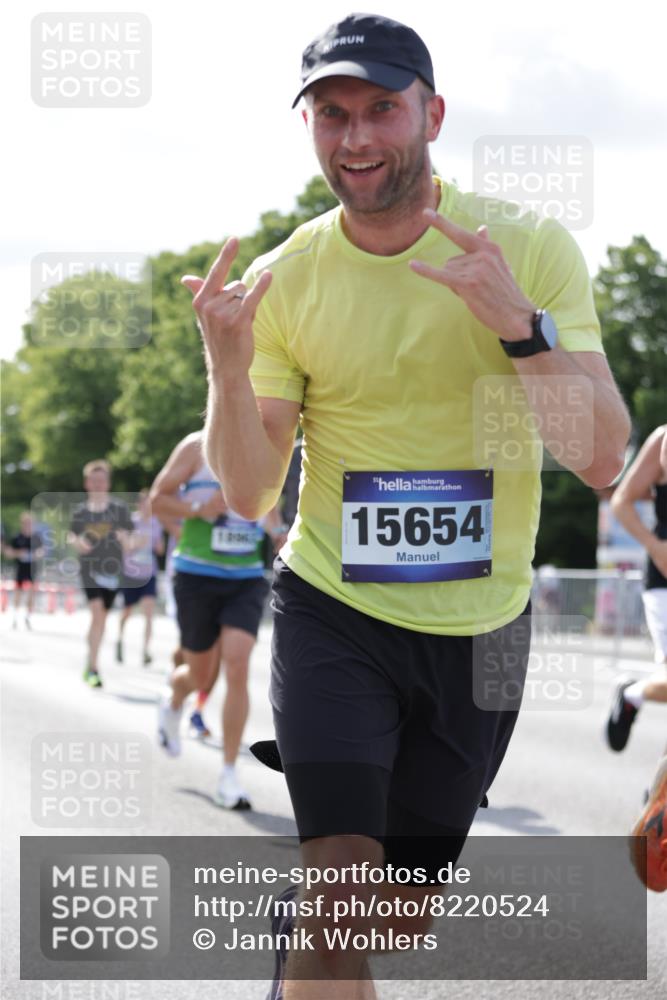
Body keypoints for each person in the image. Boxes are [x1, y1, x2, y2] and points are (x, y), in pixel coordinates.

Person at [182, 13, 631, 997]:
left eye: (381, 109)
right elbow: (253, 489)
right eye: (330, 113)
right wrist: (224, 363)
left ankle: (305, 924)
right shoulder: (287, 278)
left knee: (395, 911)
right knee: (341, 892)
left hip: (489, 628)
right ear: (307, 126)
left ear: (431, 111)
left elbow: (600, 457)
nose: (356, 138)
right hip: (332, 606)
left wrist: (519, 326)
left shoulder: (526, 245)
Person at [150, 431, 283, 809]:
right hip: (196, 576)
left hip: (245, 578)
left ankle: (229, 776)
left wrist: (278, 532)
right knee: (200, 675)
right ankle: (174, 698)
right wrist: (197, 510)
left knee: (237, 665)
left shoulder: (270, 443)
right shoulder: (195, 447)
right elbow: (157, 500)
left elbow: (268, 505)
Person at [606, 424, 667, 750]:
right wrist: (655, 547)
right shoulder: (663, 439)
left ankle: (633, 693)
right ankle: (630, 695)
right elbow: (622, 500)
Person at [68, 459, 134, 688]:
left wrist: (123, 539)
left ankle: (90, 658)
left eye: (102, 480)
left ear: (108, 483)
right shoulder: (81, 512)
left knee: (101, 619)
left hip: (112, 571)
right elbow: (72, 536)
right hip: (89, 569)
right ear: (87, 483)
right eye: (93, 480)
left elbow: (130, 541)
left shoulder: (119, 509)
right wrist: (79, 543)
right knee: (97, 614)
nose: (97, 484)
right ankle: (94, 668)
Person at [116, 489, 165, 666]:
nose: (148, 508)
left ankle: (146, 650)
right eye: (146, 504)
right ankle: (120, 640)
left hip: (149, 573)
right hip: (131, 573)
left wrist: (158, 545)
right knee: (127, 612)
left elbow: (160, 549)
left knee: (149, 613)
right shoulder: (130, 521)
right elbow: (125, 547)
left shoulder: (156, 522)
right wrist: (137, 542)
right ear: (139, 505)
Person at [4, 512, 44, 629]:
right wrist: (19, 553)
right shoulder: (17, 537)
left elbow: (42, 551)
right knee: (18, 592)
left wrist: (36, 554)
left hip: (32, 568)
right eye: (26, 523)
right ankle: (15, 616)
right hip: (20, 567)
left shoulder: (36, 537)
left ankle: (28, 617)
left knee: (31, 593)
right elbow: (9, 553)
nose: (28, 525)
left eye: (30, 523)